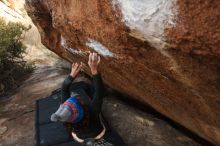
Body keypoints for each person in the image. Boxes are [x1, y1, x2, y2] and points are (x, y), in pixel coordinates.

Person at [51, 52, 105, 143]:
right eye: (77, 100)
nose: (76, 98)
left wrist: (71, 76)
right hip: (98, 133)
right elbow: (99, 92)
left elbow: (64, 89)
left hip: (80, 138)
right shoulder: (92, 111)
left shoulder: (65, 119)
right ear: (81, 108)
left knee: (77, 134)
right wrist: (94, 69)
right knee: (99, 130)